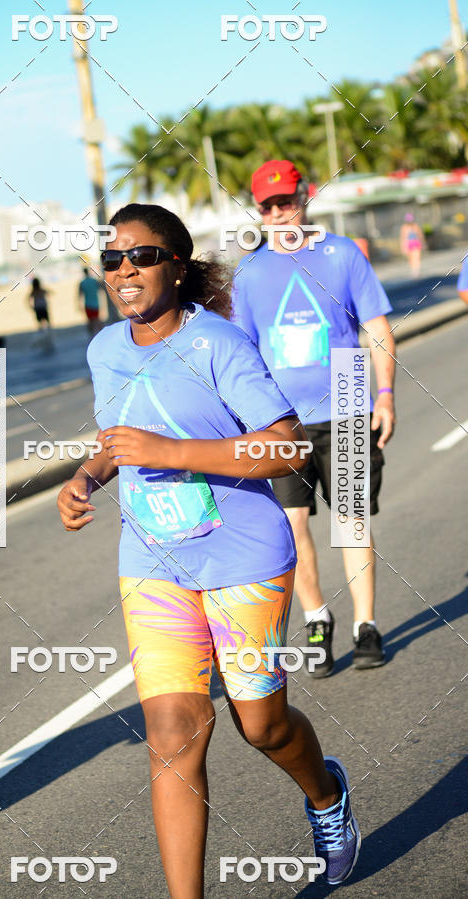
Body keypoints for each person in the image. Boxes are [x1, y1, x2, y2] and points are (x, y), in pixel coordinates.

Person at [57, 203, 361, 894]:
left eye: (142, 256)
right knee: (172, 734)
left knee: (262, 725)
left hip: (242, 556)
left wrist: (174, 451)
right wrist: (86, 475)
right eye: (113, 259)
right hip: (153, 560)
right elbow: (119, 435)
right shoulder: (105, 348)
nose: (125, 270)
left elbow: (285, 445)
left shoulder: (218, 344)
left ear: (178, 264)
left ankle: (325, 795)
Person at [232, 160, 396, 677]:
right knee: (292, 525)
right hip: (281, 421)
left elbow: (376, 328)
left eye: (288, 201)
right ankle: (317, 618)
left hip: (346, 400)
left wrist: (385, 396)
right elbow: (242, 354)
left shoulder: (341, 254)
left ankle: (365, 626)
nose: (281, 213)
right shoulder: (250, 272)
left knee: (351, 524)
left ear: (307, 197)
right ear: (258, 212)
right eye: (269, 206)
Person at [78, 267, 103, 337]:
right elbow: (101, 286)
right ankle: (100, 334)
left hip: (88, 304)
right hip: (95, 303)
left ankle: (91, 335)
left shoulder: (82, 283)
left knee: (90, 321)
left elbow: (79, 295)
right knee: (97, 319)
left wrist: (79, 305)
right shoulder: (94, 281)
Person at [399, 213, 424, 278]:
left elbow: (420, 235)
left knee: (416, 257)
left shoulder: (415, 226)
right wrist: (403, 247)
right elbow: (403, 238)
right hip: (409, 244)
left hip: (416, 243)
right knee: (411, 258)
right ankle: (413, 270)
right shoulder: (404, 227)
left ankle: (417, 270)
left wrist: (422, 243)